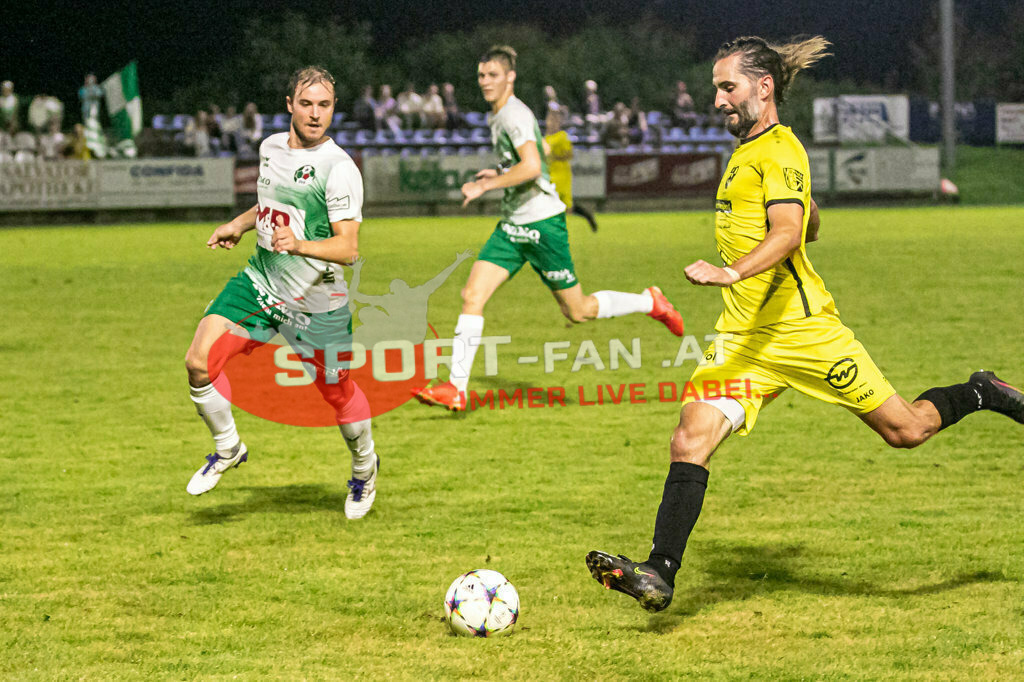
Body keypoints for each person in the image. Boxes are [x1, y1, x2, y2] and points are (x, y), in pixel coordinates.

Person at [585, 35, 1024, 613]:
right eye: (717, 87)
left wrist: (731, 272)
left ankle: (979, 390)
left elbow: (789, 234)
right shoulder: (749, 151)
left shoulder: (780, 149)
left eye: (727, 87)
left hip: (804, 331)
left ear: (762, 89)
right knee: (689, 437)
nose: (717, 99)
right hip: (745, 340)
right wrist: (797, 216)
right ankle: (660, 572)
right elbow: (808, 223)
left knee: (906, 430)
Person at [412, 45, 684, 412]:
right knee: (471, 295)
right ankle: (456, 388)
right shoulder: (499, 114)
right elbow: (527, 158)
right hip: (513, 226)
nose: (485, 82)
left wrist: (484, 186)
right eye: (481, 75)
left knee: (579, 311)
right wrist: (498, 173)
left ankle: (650, 301)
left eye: (493, 75)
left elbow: (533, 167)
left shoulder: (514, 114)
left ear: (510, 77)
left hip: (542, 225)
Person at [183, 65, 381, 520]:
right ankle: (228, 447)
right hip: (260, 283)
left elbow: (348, 249)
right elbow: (271, 203)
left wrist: (302, 245)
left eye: (325, 105)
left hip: (317, 302)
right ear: (289, 105)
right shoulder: (270, 147)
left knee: (338, 394)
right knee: (198, 362)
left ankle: (365, 468)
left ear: (334, 109)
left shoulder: (339, 168)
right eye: (307, 104)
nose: (315, 115)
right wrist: (239, 223)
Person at [543, 105, 597, 232]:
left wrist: (554, 156)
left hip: (562, 175)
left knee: (565, 207)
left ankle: (586, 217)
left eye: (554, 121)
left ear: (559, 123)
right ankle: (586, 217)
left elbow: (569, 154)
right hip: (550, 174)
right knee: (556, 204)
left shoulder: (562, 136)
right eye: (550, 120)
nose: (551, 123)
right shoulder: (546, 138)